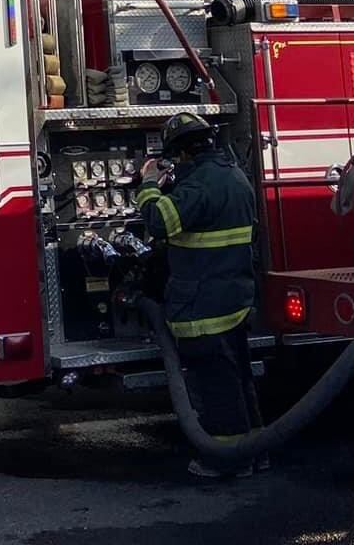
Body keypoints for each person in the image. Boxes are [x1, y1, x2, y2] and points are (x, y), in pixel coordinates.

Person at [134, 111, 264, 480]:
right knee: (239, 379)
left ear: (181, 153)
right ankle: (256, 451)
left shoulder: (200, 186)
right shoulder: (233, 176)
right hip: (234, 299)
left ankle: (227, 459)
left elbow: (159, 221)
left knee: (216, 387)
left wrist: (148, 183)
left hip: (204, 304)